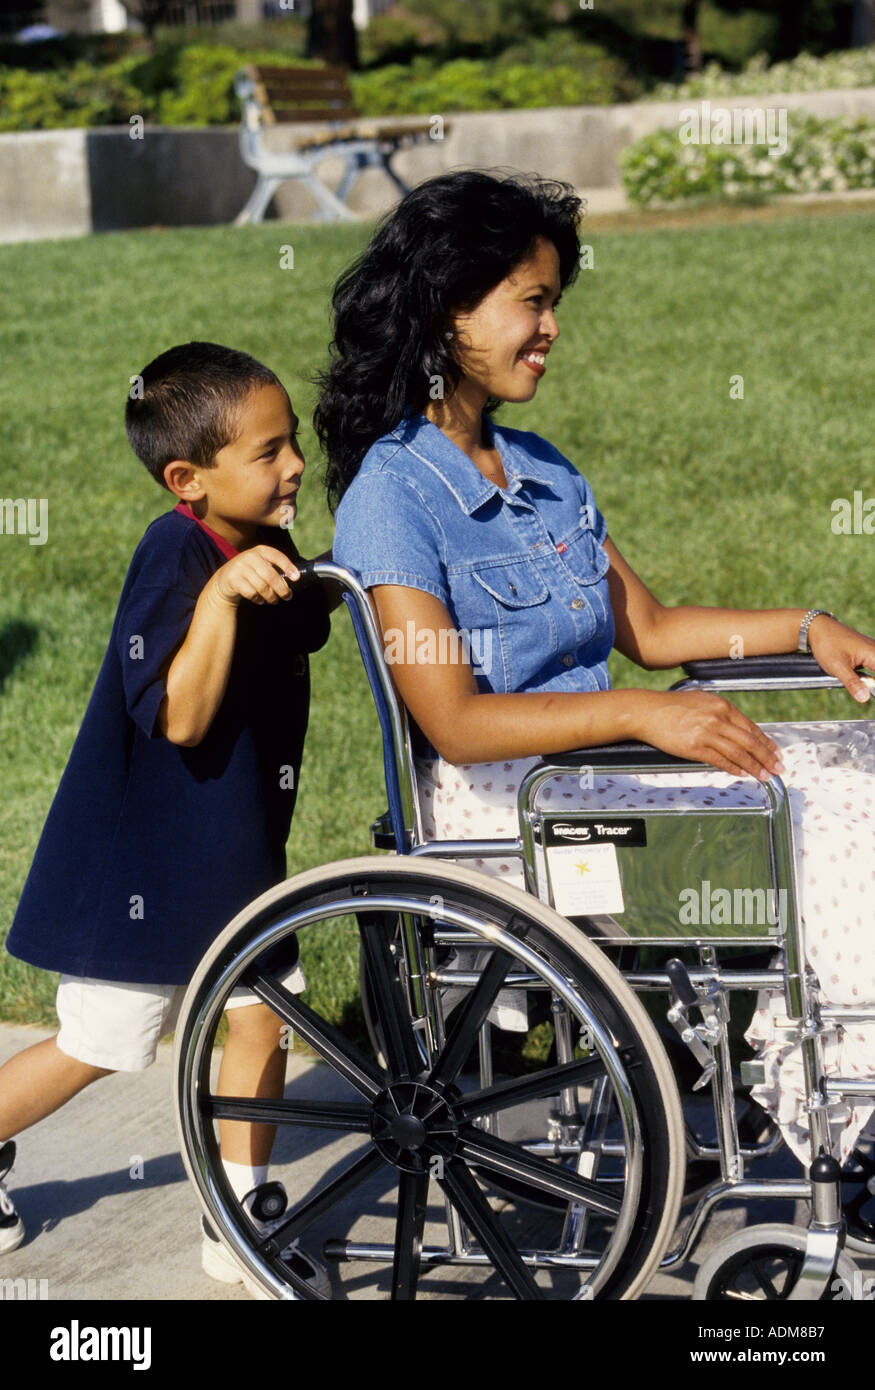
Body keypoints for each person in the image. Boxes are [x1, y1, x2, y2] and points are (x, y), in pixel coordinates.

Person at [319, 169, 875, 1167]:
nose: (550, 328)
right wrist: (647, 717)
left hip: (602, 768)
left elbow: (653, 629)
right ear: (447, 310)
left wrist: (806, 626)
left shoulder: (541, 472)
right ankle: (839, 1123)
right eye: (530, 302)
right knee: (833, 829)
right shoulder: (391, 497)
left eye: (552, 304)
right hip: (510, 806)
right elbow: (452, 722)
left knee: (861, 761)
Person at [0, 342, 336, 1295]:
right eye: (269, 452)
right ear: (188, 479)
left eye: (294, 443)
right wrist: (223, 600)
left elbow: (306, 620)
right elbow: (179, 715)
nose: (294, 467)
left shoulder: (259, 539)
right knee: (102, 1042)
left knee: (264, 1016)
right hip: (145, 867)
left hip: (231, 854)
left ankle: (237, 1209)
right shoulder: (177, 551)